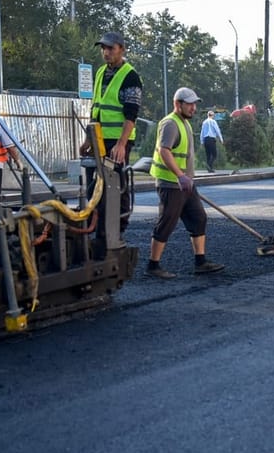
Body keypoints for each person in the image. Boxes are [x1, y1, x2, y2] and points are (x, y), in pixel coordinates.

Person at [145, 87, 225, 279]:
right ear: (177, 104)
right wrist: (180, 175)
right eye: (189, 104)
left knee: (198, 217)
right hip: (171, 184)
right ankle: (153, 265)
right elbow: (164, 151)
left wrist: (186, 178)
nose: (193, 108)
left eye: (194, 104)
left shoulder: (185, 123)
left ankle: (200, 262)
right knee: (167, 222)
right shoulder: (170, 124)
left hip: (185, 184)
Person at [79, 31, 142, 238]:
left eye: (110, 48)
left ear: (121, 49)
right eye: (103, 48)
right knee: (96, 184)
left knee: (116, 183)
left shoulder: (130, 76)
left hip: (117, 140)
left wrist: (122, 144)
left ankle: (118, 227)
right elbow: (95, 109)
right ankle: (97, 225)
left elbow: (131, 114)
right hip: (99, 139)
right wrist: (89, 139)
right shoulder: (100, 73)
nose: (105, 52)